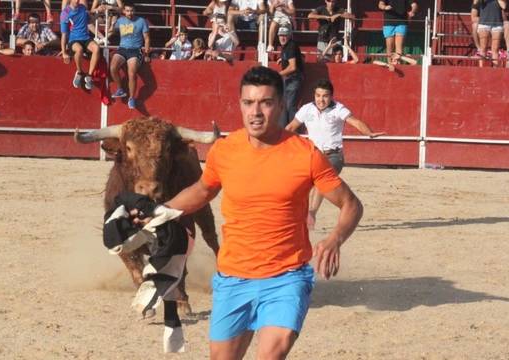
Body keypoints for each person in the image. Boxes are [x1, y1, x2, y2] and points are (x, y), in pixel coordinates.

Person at [138, 66, 363, 359]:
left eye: (266, 103)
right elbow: (203, 191)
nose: (256, 112)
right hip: (233, 278)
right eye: (248, 102)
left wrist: (335, 239)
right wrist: (161, 211)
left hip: (286, 278)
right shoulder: (224, 151)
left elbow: (351, 204)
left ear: (282, 105)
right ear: (240, 104)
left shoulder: (305, 154)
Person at [285, 79, 383, 229]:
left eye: (325, 96)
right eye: (318, 95)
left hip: (334, 156)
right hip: (313, 155)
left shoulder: (338, 108)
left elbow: (355, 122)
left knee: (321, 179)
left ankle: (311, 213)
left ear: (331, 96)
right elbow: (291, 126)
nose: (321, 99)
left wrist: (368, 133)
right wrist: (276, 141)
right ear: (314, 95)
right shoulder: (307, 109)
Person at [110, 2, 150, 110]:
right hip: (122, 49)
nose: (130, 13)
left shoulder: (141, 21)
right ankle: (120, 89)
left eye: (131, 11)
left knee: (131, 73)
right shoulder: (120, 21)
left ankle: (132, 98)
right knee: (113, 67)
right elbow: (111, 32)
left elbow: (146, 38)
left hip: (135, 50)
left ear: (134, 11)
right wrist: (112, 24)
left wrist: (146, 53)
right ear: (124, 11)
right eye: (127, 11)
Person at [60, 0, 102, 90]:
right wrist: (64, 52)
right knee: (79, 50)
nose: (77, 0)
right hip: (74, 40)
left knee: (96, 48)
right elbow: (64, 35)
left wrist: (97, 15)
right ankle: (79, 72)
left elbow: (89, 21)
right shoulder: (65, 13)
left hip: (86, 38)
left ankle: (89, 76)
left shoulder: (83, 8)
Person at [276, 26, 303, 128]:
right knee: (286, 105)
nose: (282, 38)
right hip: (290, 78)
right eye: (281, 35)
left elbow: (293, 67)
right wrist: (282, 59)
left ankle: (293, 131)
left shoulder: (290, 46)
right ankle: (286, 130)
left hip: (293, 78)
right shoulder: (288, 46)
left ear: (289, 36)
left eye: (285, 36)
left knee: (290, 106)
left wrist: (278, 74)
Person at [378, 0, 418, 65]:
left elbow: (414, 5)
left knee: (399, 47)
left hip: (401, 21)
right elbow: (380, 4)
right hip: (389, 22)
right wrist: (385, 7)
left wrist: (412, 11)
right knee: (389, 46)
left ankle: (399, 64)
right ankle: (390, 64)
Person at [473, 0, 507, 67]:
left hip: (497, 23)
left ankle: (495, 71)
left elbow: (504, 6)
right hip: (484, 23)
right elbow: (475, 2)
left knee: (495, 49)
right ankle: (481, 70)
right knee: (483, 48)